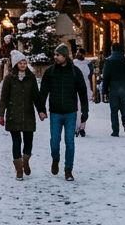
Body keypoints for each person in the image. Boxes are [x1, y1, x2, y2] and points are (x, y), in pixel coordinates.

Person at [39, 44, 90, 180]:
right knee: (55, 141)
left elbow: (83, 93)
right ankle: (55, 158)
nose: (55, 57)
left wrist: (85, 112)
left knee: (70, 142)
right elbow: (43, 91)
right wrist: (41, 109)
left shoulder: (75, 72)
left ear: (65, 56)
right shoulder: (50, 72)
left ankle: (68, 169)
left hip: (70, 112)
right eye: (55, 55)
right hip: (55, 112)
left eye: (58, 55)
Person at [0, 51, 44, 180]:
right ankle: (19, 169)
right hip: (13, 114)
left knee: (29, 141)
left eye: (24, 63)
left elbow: (36, 96)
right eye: (20, 63)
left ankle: (26, 160)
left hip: (28, 113)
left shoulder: (31, 78)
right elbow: (4, 98)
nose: (23, 65)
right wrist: (1, 114)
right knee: (16, 142)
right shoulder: (9, 79)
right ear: (16, 64)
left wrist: (41, 110)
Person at [102, 42, 125, 136]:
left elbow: (106, 77)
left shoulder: (108, 62)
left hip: (113, 88)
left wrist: (104, 91)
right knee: (124, 107)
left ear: (112, 49)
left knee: (114, 110)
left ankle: (115, 130)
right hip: (124, 87)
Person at [71, 47, 93, 134]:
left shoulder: (88, 64)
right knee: (77, 109)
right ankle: (77, 127)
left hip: (85, 88)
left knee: (84, 110)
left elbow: (90, 76)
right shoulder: (74, 63)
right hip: (76, 88)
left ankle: (82, 126)